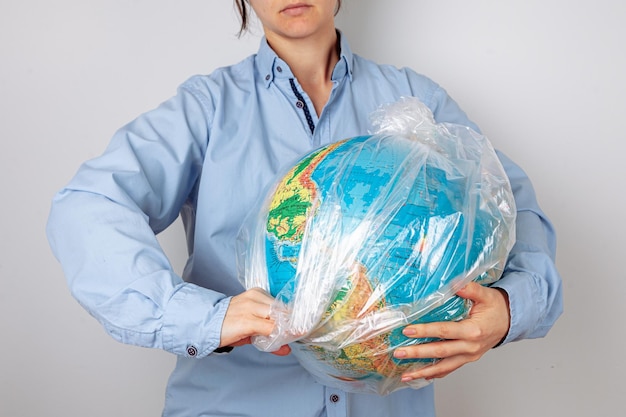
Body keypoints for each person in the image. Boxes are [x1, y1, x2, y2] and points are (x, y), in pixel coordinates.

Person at [46, 1, 563, 416]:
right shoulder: (208, 108)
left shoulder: (417, 103)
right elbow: (89, 205)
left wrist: (509, 310)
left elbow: (513, 209)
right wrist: (203, 318)